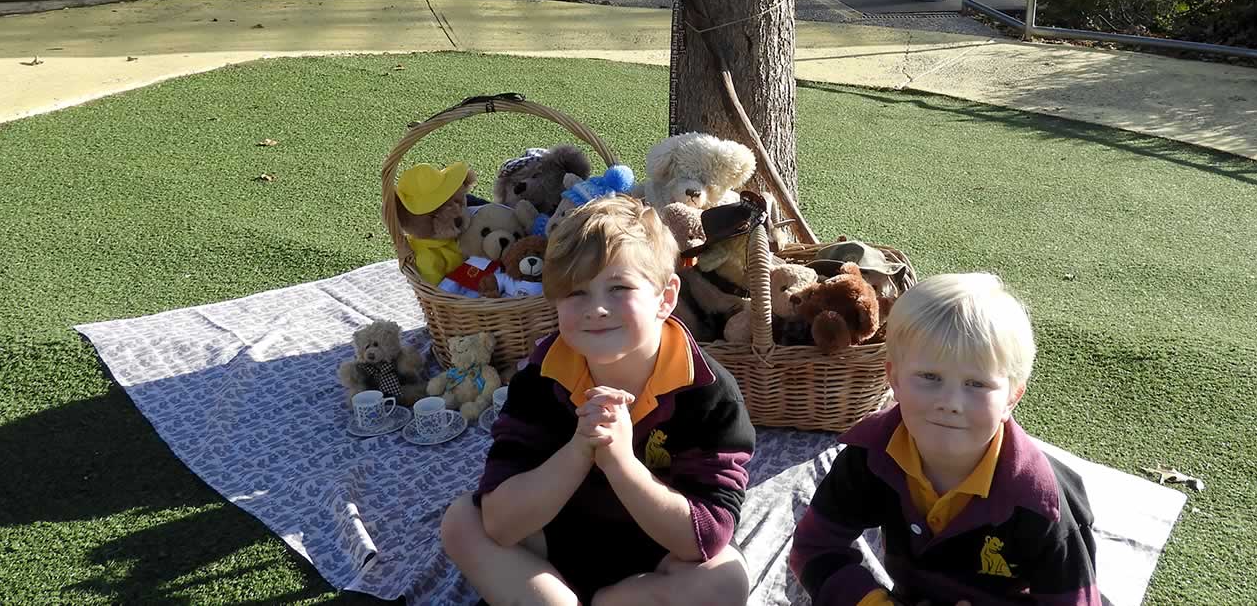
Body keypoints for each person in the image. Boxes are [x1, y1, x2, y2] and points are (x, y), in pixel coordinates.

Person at [440, 196, 754, 606]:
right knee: (462, 521)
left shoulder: (709, 393)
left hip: (655, 556)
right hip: (551, 538)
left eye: (619, 287)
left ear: (665, 297)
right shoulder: (540, 377)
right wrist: (579, 450)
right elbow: (500, 523)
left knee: (727, 580)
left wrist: (620, 463)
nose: (597, 309)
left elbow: (704, 539)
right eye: (576, 293)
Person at [789, 274, 1100, 606]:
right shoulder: (870, 456)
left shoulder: (1041, 504)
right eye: (930, 377)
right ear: (894, 378)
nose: (951, 402)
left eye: (976, 384)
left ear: (1012, 397)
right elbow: (815, 546)